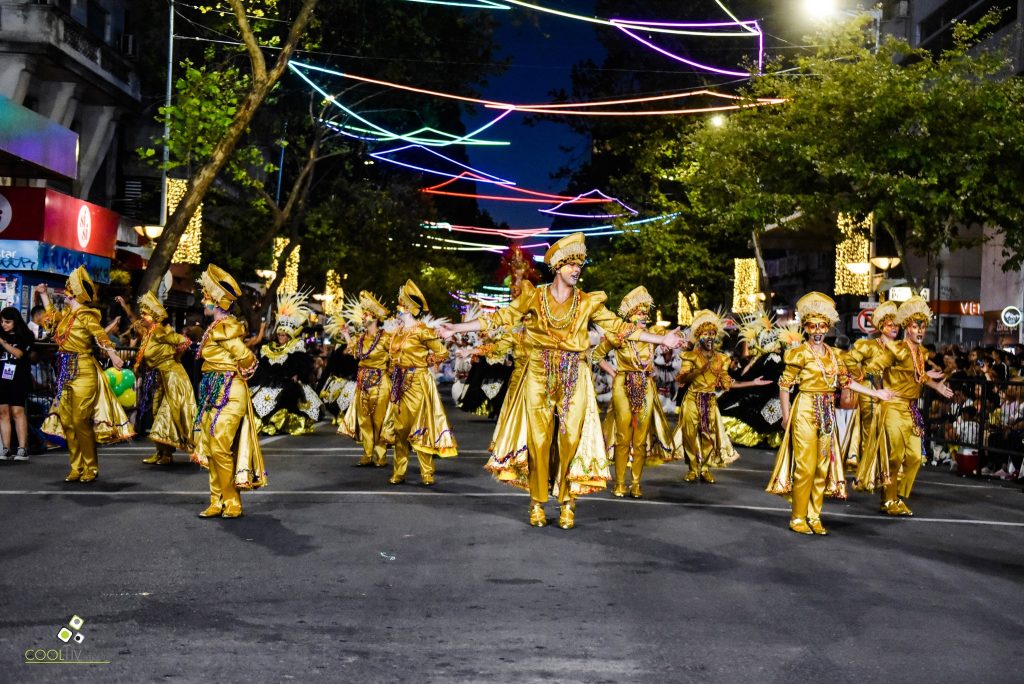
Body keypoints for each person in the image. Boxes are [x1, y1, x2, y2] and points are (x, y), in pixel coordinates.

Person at [440, 233, 684, 529]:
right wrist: (456, 328)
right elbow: (499, 318)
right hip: (539, 372)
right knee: (539, 440)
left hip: (574, 373)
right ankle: (537, 502)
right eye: (570, 264)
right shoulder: (533, 296)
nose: (576, 269)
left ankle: (568, 502)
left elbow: (620, 328)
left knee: (570, 440)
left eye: (579, 264)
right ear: (557, 267)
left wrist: (662, 339)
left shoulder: (588, 302)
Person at [766, 292, 892, 535]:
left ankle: (814, 516)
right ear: (805, 327)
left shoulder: (835, 355)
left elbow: (846, 382)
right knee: (805, 466)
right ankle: (798, 517)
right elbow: (784, 385)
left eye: (822, 326)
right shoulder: (799, 353)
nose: (817, 331)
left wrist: (876, 393)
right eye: (812, 326)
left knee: (822, 466)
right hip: (805, 409)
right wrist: (786, 416)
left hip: (827, 411)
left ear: (828, 328)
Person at [35, 269, 132, 482]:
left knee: (80, 420)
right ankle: (76, 466)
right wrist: (43, 295)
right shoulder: (66, 316)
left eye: (68, 289)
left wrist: (113, 355)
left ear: (74, 293)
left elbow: (100, 336)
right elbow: (50, 322)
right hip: (65, 372)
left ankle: (90, 466)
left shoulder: (87, 315)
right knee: (67, 421)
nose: (65, 292)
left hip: (84, 370)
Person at [863, 296, 953, 516]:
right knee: (894, 457)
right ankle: (888, 500)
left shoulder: (921, 353)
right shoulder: (896, 349)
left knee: (915, 457)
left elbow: (919, 375)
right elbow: (873, 368)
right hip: (893, 407)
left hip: (911, 409)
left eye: (922, 327)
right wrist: (879, 390)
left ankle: (898, 496)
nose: (920, 331)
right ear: (907, 328)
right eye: (915, 326)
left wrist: (936, 386)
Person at [192, 264, 266, 518]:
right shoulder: (216, 327)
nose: (203, 301)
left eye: (206, 297)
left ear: (215, 302)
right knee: (212, 449)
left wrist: (238, 373)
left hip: (230, 391)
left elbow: (247, 358)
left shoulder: (225, 328)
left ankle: (232, 501)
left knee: (220, 447)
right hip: (213, 390)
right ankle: (217, 501)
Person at [593, 286, 680, 498]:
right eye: (639, 313)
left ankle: (636, 483)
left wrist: (675, 344)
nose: (644, 317)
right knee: (623, 436)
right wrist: (614, 373)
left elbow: (670, 346)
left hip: (646, 385)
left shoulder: (653, 336)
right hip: (623, 385)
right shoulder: (618, 336)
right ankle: (620, 482)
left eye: (645, 313)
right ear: (630, 316)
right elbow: (595, 356)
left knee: (640, 438)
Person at [675, 310, 772, 484]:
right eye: (706, 334)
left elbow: (727, 382)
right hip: (692, 399)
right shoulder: (690, 356)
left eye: (713, 334)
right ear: (699, 336)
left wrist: (752, 383)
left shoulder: (721, 359)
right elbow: (682, 379)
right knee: (689, 435)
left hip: (710, 401)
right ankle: (692, 468)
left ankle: (705, 468)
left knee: (709, 436)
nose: (710, 337)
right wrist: (698, 370)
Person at [385, 280, 457, 485]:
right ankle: (399, 471)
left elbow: (442, 352)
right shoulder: (397, 332)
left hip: (418, 381)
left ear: (408, 309)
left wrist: (425, 361)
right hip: (399, 382)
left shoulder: (422, 330)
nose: (397, 309)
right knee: (401, 429)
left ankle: (427, 472)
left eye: (400, 305)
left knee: (420, 427)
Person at [114, 292, 196, 465]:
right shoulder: (148, 333)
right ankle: (160, 452)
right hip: (160, 377)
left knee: (166, 414)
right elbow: (134, 321)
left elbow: (185, 342)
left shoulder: (159, 332)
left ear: (153, 317)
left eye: (145, 314)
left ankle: (167, 455)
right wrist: (124, 306)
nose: (142, 317)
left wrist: (175, 357)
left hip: (173, 377)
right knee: (156, 412)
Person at [842, 300, 899, 491]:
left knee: (889, 435)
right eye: (890, 324)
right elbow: (848, 358)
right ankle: (864, 477)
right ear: (881, 327)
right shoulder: (869, 346)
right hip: (871, 393)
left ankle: (881, 474)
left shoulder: (900, 348)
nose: (894, 328)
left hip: (891, 394)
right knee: (870, 433)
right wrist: (860, 375)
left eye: (896, 325)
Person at [249, 291, 322, 435]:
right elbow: (263, 367)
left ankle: (278, 422)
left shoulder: (295, 346)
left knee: (286, 397)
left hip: (287, 382)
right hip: (269, 382)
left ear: (289, 335)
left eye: (283, 335)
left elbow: (301, 364)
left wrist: (296, 375)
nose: (280, 337)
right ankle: (262, 422)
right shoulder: (268, 348)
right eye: (279, 334)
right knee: (255, 398)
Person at [337, 291, 394, 468]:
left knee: (379, 420)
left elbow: (395, 357)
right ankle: (367, 454)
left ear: (375, 318)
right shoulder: (361, 338)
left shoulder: (386, 338)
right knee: (364, 420)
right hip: (362, 382)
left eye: (366, 314)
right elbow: (354, 352)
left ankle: (381, 454)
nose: (362, 317)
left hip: (380, 383)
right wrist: (346, 335)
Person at [0, 307, 34, 460]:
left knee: (17, 411)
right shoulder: (1, 334)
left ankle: (22, 448)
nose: (4, 325)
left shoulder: (25, 335)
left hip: (19, 377)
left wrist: (3, 343)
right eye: (1, 321)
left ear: (15, 321)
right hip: (2, 378)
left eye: (7, 322)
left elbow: (19, 353)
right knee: (3, 412)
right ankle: (6, 448)